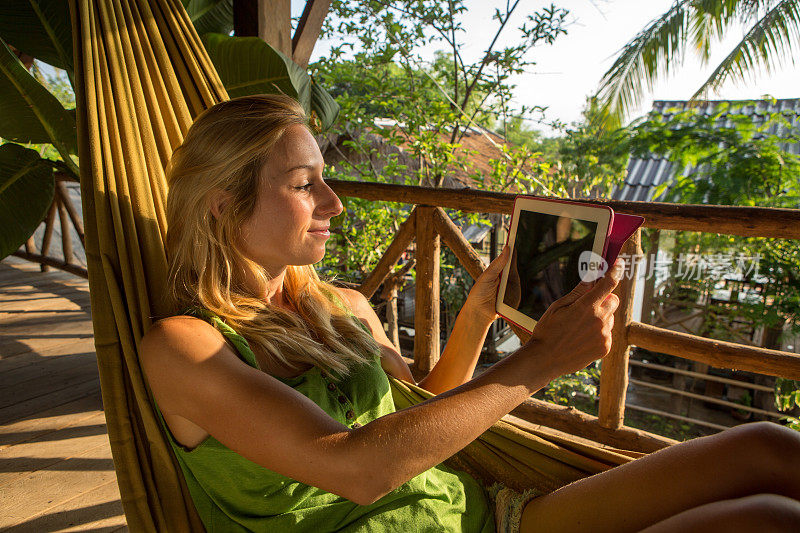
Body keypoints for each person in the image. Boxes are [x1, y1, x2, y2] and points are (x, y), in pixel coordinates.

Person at [140, 94, 800, 533]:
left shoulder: (340, 305)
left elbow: (409, 418)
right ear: (222, 205)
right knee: (768, 520)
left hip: (483, 514)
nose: (335, 203)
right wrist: (540, 362)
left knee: (766, 448)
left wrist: (479, 313)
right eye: (305, 184)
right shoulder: (186, 347)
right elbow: (359, 467)